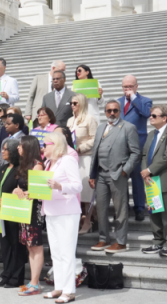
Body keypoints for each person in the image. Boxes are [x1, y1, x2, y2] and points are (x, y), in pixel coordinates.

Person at [89, 100, 141, 253]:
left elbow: (136, 152)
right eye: (109, 110)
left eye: (115, 110)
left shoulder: (128, 128)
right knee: (101, 209)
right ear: (105, 112)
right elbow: (95, 152)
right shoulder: (100, 128)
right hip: (100, 174)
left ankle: (121, 241)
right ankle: (103, 239)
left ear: (120, 112)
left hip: (118, 174)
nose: (112, 113)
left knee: (121, 210)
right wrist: (92, 173)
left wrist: (125, 170)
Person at [41, 132, 82, 303]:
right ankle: (59, 287)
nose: (43, 148)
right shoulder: (48, 163)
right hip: (50, 211)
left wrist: (60, 186)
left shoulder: (68, 160)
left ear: (55, 144)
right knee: (56, 253)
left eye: (45, 145)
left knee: (66, 252)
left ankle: (69, 291)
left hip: (67, 212)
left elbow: (78, 186)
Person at [141, 105, 167, 257]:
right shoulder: (151, 134)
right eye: (151, 115)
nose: (150, 118)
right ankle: (158, 241)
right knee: (154, 211)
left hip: (163, 179)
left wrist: (149, 170)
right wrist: (146, 173)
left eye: (154, 116)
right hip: (151, 180)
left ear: (164, 118)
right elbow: (144, 155)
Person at [9, 136, 45, 296]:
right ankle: (32, 281)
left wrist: (26, 192)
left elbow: (38, 191)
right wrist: (17, 191)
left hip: (33, 211)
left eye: (20, 146)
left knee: (35, 246)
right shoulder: (24, 165)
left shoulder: (37, 166)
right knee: (29, 246)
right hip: (24, 209)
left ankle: (35, 283)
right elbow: (21, 186)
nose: (18, 148)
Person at [118, 75, 153, 221]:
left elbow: (146, 113)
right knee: (121, 177)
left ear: (136, 87)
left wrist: (133, 98)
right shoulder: (118, 102)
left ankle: (139, 208)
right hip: (120, 145)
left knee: (138, 178)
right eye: (125, 87)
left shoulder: (144, 101)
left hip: (138, 144)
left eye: (130, 86)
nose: (127, 89)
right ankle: (123, 208)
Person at [0, 140, 26, 288]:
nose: (3, 152)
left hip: (15, 211)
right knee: (5, 244)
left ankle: (16, 277)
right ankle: (6, 274)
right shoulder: (3, 168)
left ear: (12, 151)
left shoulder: (20, 169)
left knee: (16, 245)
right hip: (1, 211)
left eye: (5, 149)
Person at [66, 94, 98, 234]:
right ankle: (82, 218)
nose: (72, 105)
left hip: (85, 157)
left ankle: (87, 221)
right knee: (76, 191)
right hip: (73, 158)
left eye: (75, 103)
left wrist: (81, 147)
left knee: (86, 192)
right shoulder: (70, 120)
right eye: (71, 103)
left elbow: (95, 138)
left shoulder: (90, 119)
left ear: (82, 104)